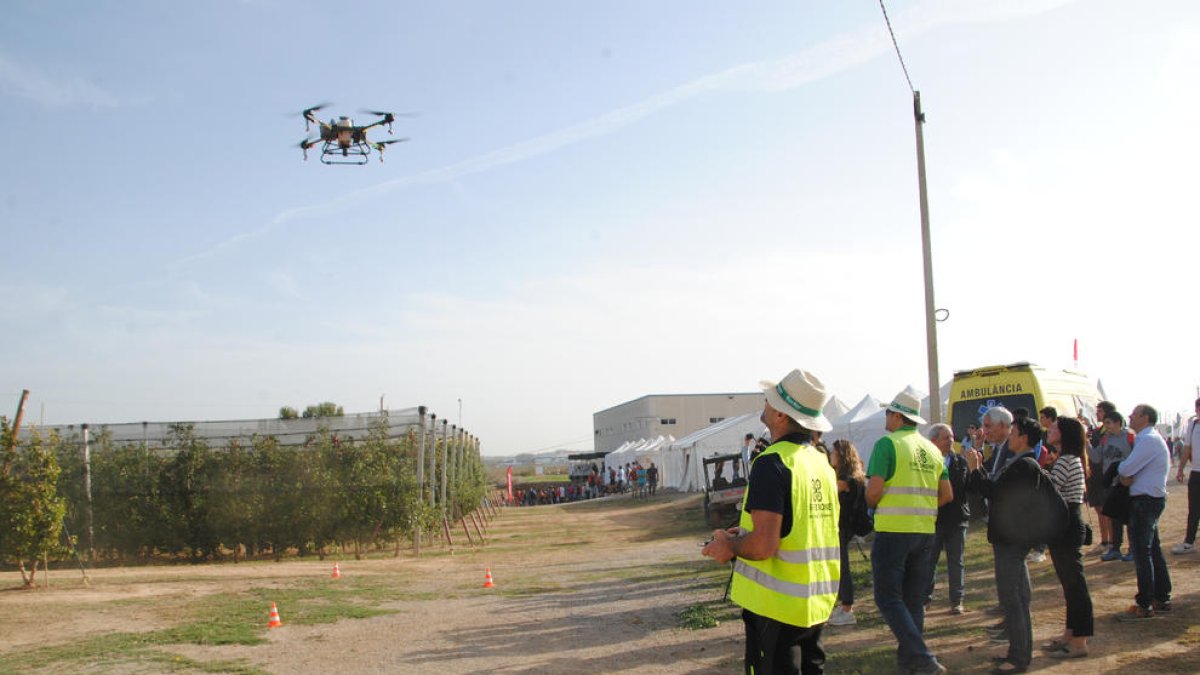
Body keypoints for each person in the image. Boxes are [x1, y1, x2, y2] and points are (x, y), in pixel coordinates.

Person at [702, 368, 840, 675]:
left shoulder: (771, 463)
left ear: (780, 414)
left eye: (770, 399)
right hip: (813, 600)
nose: (765, 402)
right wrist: (743, 534)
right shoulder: (820, 463)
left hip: (776, 606)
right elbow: (802, 525)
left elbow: (764, 545)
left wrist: (730, 546)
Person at [867, 386, 953, 675]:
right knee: (913, 600)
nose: (886, 417)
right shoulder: (932, 450)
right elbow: (947, 494)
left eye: (888, 412)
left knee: (888, 598)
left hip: (893, 531)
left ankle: (923, 658)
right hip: (924, 531)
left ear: (897, 417)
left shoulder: (887, 445)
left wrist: (871, 501)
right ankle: (910, 663)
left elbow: (874, 492)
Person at [965, 415, 1049, 674]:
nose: (1009, 436)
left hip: (1012, 540)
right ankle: (1018, 651)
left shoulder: (1024, 465)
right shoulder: (1018, 462)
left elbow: (995, 492)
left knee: (1013, 599)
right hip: (1011, 539)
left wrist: (975, 468)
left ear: (1023, 438)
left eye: (1013, 433)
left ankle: (1019, 657)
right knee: (1017, 598)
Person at [1043, 416, 1094, 658]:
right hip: (1067, 523)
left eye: (1054, 427)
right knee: (1070, 585)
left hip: (1067, 525)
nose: (1049, 429)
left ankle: (1079, 642)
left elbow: (1048, 491)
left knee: (1075, 586)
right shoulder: (1068, 459)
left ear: (1064, 434)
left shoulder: (1066, 461)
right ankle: (1070, 635)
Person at [1116, 404, 1172, 620]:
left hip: (1145, 501)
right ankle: (1161, 596)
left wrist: (1123, 473)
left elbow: (1126, 469)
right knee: (1152, 550)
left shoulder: (1148, 439)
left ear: (1145, 418)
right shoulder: (1147, 438)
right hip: (1149, 499)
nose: (1130, 417)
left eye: (1134, 414)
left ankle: (1145, 603)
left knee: (1142, 551)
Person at [925, 423, 970, 615]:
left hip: (956, 518)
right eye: (946, 438)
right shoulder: (926, 462)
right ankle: (925, 599)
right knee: (929, 560)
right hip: (934, 519)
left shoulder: (960, 461)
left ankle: (957, 600)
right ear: (933, 441)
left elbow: (963, 488)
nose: (951, 441)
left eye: (951, 437)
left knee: (956, 561)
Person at [827, 439, 866, 627]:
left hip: (842, 527)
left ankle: (847, 608)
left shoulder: (845, 480)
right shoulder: (853, 476)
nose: (830, 456)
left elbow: (829, 491)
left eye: (833, 453)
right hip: (845, 527)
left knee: (842, 568)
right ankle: (843, 605)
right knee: (838, 567)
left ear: (841, 455)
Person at [1099, 411, 1135, 561]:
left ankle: (1133, 549)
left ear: (1118, 422)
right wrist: (1085, 443)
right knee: (1115, 517)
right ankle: (1115, 548)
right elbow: (1096, 457)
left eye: (1108, 423)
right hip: (1113, 483)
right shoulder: (1105, 439)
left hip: (1127, 483)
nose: (1105, 426)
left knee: (1130, 517)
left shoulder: (1130, 437)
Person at [1171, 398, 1200, 554]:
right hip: (1196, 472)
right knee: (1194, 509)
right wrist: (1180, 469)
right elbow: (1187, 448)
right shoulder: (1193, 425)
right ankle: (1189, 542)